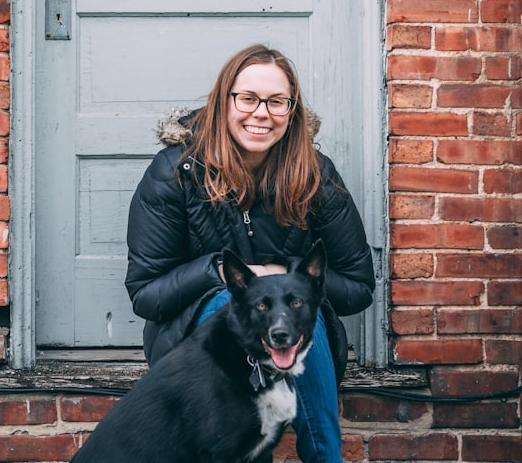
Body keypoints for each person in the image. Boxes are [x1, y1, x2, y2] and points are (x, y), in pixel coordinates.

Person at [125, 44, 375, 463]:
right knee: (233, 302)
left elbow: (358, 287)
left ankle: (326, 456)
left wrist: (284, 274)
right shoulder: (176, 173)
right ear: (225, 101)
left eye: (277, 101)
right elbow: (146, 293)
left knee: (291, 307)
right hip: (196, 346)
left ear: (292, 110)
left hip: (295, 346)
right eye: (248, 98)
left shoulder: (316, 175)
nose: (262, 113)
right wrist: (219, 271)